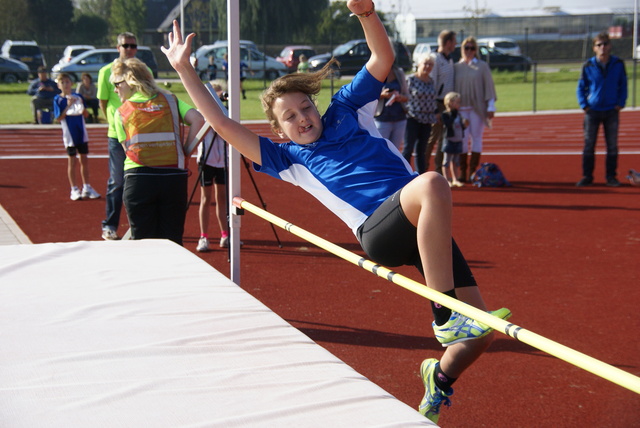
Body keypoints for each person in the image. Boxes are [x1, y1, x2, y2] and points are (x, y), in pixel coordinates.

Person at [161, 1, 510, 424]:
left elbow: (382, 58)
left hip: (421, 222)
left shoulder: (346, 109)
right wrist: (185, 70)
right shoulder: (286, 158)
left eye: (305, 108)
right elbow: (218, 122)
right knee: (433, 182)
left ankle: (438, 377)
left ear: (314, 103)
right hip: (378, 231)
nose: (302, 119)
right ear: (279, 128)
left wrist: (366, 13)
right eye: (289, 117)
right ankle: (444, 317)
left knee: (484, 330)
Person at [111, 57, 205, 245]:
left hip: (139, 178)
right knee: (173, 242)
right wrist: (185, 151)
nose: (115, 89)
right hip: (172, 178)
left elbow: (127, 149)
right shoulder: (170, 100)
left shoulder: (122, 112)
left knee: (143, 245)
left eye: (117, 83)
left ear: (130, 81)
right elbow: (198, 119)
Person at [97, 32, 140, 240]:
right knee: (117, 181)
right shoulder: (105, 72)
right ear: (118, 47)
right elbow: (103, 102)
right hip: (117, 135)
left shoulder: (142, 71)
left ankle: (138, 226)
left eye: (133, 46)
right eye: (126, 45)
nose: (129, 49)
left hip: (140, 132)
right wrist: (114, 123)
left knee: (139, 180)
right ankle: (110, 225)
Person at [576, 31, 627, 187]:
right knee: (589, 144)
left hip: (612, 110)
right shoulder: (588, 65)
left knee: (612, 145)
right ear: (594, 48)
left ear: (610, 46)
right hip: (593, 110)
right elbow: (581, 87)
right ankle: (587, 176)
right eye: (599, 45)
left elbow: (623, 85)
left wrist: (620, 103)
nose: (603, 47)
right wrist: (584, 105)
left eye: (605, 44)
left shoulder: (618, 64)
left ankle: (611, 176)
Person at [454, 36, 497, 182]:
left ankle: (473, 172)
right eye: (466, 48)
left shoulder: (482, 66)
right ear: (462, 49)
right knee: (463, 139)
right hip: (461, 109)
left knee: (476, 138)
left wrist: (491, 106)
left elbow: (489, 87)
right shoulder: (456, 67)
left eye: (472, 48)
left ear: (476, 50)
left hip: (476, 108)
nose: (469, 51)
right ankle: (462, 172)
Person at [53, 73, 101, 201]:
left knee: (84, 160)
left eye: (67, 82)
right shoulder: (58, 99)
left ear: (72, 84)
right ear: (58, 85)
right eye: (62, 82)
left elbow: (85, 114)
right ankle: (74, 188)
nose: (65, 85)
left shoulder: (78, 96)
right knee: (72, 161)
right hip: (69, 135)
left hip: (81, 133)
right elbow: (59, 118)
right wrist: (68, 105)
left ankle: (87, 187)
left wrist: (80, 104)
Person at [425, 30, 457, 175]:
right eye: (454, 41)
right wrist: (434, 109)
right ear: (448, 42)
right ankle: (421, 168)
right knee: (432, 138)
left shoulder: (449, 59)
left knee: (444, 139)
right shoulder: (436, 59)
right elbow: (432, 85)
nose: (455, 44)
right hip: (437, 103)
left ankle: (439, 169)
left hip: (447, 105)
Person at [402, 53, 437, 174]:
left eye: (430, 64)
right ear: (419, 65)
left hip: (427, 119)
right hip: (412, 117)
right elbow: (404, 96)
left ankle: (421, 175)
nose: (427, 66)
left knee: (421, 150)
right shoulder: (410, 79)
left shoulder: (431, 81)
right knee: (408, 148)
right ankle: (404, 174)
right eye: (425, 64)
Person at [374, 64, 408, 151]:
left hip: (399, 118)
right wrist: (383, 95)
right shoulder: (376, 70)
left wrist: (399, 97)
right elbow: (368, 95)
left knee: (395, 152)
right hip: (382, 118)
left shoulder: (399, 72)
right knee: (380, 150)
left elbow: (407, 96)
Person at [441, 92, 467, 188]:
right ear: (450, 102)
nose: (459, 104)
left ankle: (455, 179)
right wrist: (453, 114)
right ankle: (446, 180)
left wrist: (464, 125)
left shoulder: (459, 114)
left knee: (456, 161)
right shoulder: (445, 114)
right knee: (446, 160)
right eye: (457, 102)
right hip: (449, 140)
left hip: (458, 139)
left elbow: (460, 126)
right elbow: (447, 124)